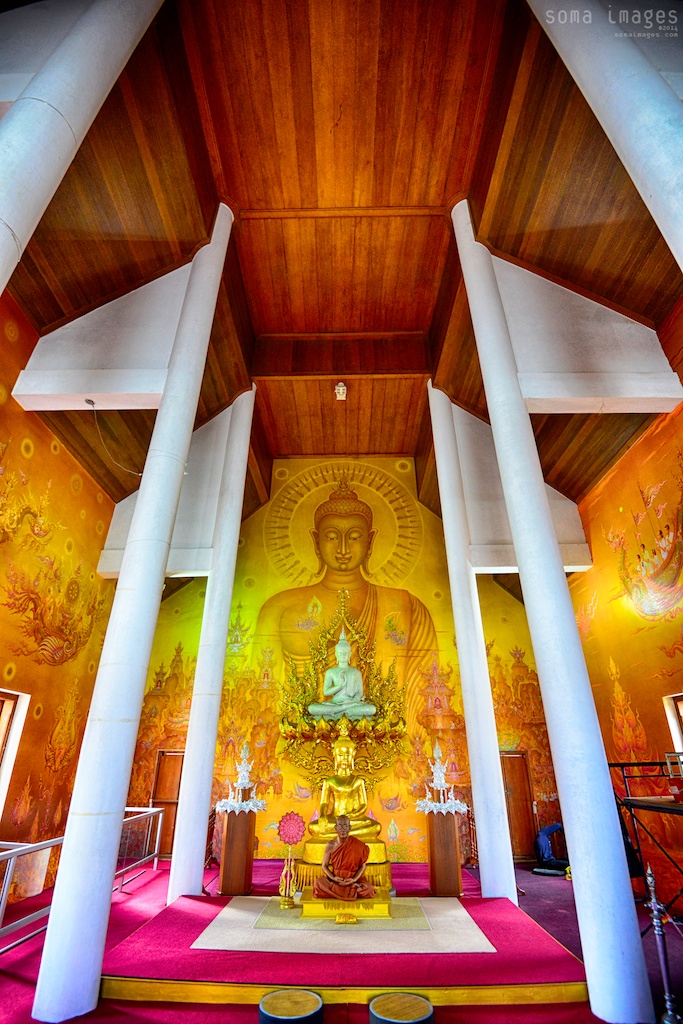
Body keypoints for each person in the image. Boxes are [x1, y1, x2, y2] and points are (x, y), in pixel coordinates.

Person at [255, 477, 438, 733]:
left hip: (376, 727)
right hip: (307, 728)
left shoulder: (406, 605)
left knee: (368, 709)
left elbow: (423, 689)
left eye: (354, 537)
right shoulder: (279, 607)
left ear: (371, 541)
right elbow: (262, 693)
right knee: (318, 710)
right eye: (331, 537)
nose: (342, 548)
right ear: (315, 541)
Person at [308, 733, 381, 842]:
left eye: (347, 755)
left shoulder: (358, 781)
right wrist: (323, 816)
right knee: (313, 827)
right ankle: (348, 836)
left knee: (376, 827)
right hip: (334, 819)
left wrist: (352, 815)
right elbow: (324, 803)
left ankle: (339, 836)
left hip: (353, 819)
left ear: (352, 756)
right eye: (341, 756)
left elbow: (363, 804)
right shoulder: (329, 781)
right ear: (336, 757)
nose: (344, 759)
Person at [308, 627, 376, 720]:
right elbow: (326, 692)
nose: (343, 655)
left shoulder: (356, 672)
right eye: (340, 652)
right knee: (312, 708)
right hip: (334, 703)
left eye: (345, 652)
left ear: (350, 654)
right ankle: (342, 709)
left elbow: (360, 692)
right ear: (336, 654)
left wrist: (353, 701)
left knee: (371, 709)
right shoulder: (331, 672)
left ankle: (339, 711)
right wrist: (339, 686)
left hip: (351, 704)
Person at [312, 814, 376, 901]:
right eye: (340, 826)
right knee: (318, 884)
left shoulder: (358, 845)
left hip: (352, 880)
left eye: (345, 826)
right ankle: (351, 891)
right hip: (336, 880)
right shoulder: (330, 845)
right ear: (335, 828)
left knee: (369, 889)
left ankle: (344, 890)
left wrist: (354, 879)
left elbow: (363, 866)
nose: (343, 829)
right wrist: (333, 878)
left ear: (350, 828)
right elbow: (324, 865)